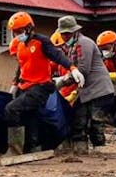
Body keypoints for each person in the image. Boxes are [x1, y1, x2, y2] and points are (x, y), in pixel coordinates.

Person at [5, 12, 84, 155]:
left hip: (40, 87)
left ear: (29, 28)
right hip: (25, 86)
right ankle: (32, 147)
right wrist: (15, 83)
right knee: (30, 116)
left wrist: (72, 68)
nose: (17, 34)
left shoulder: (42, 41)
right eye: (15, 32)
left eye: (19, 31)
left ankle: (14, 149)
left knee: (11, 109)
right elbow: (21, 65)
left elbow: (57, 55)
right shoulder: (19, 45)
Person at [53, 16, 115, 153]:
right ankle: (80, 149)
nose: (64, 36)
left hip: (99, 89)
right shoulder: (71, 47)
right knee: (78, 119)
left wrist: (62, 81)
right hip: (86, 91)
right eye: (62, 34)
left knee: (95, 121)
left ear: (74, 31)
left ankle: (100, 150)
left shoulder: (84, 43)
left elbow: (83, 71)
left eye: (67, 34)